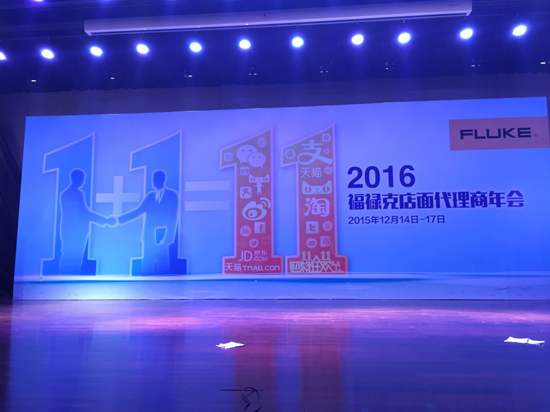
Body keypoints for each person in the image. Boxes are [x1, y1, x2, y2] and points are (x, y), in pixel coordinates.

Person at [117, 170, 179, 274]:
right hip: (149, 235)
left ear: (163, 179)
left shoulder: (172, 195)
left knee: (163, 265)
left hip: (163, 236)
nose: (152, 181)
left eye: (154, 178)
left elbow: (173, 217)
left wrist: (168, 237)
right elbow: (138, 211)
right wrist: (119, 220)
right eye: (152, 179)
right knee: (146, 266)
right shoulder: (150, 196)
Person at [59, 168, 117, 274]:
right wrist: (106, 221)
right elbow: (85, 213)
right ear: (77, 179)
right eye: (83, 179)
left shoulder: (65, 193)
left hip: (69, 232)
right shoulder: (77, 193)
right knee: (75, 262)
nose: (84, 181)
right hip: (76, 233)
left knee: (68, 259)